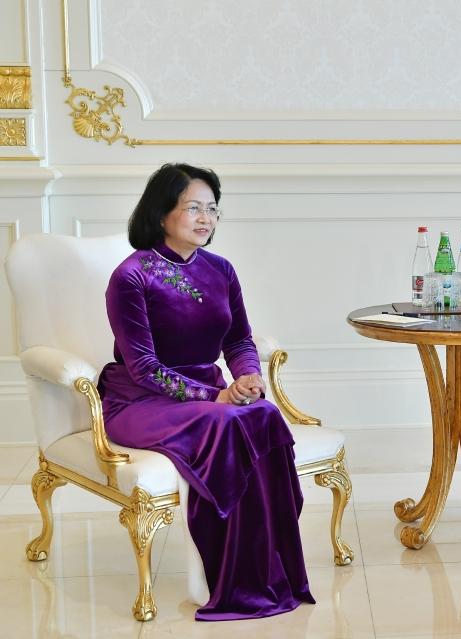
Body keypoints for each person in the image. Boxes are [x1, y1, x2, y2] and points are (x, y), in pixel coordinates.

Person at [98, 163, 314, 621]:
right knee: (227, 422)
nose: (205, 218)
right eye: (193, 207)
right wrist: (215, 397)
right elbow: (144, 368)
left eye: (212, 209)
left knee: (263, 414)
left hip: (210, 397)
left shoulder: (221, 270)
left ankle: (268, 568)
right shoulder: (131, 276)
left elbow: (238, 340)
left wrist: (249, 376)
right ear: (162, 212)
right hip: (140, 400)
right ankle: (226, 577)